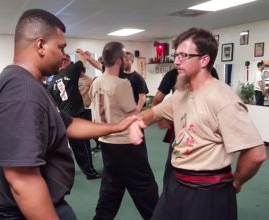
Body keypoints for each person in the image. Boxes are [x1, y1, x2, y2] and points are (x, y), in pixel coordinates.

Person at [0, 9, 137, 220]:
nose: (64, 55)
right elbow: (22, 182)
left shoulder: (29, 85)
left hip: (42, 199)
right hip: (16, 211)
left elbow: (68, 124)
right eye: (61, 47)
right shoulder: (22, 93)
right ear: (41, 45)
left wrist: (116, 127)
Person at [129, 28, 266, 220]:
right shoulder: (181, 93)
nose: (176, 61)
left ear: (204, 60)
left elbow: (256, 154)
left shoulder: (223, 99)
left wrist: (237, 181)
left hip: (209, 191)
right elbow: (154, 112)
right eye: (176, 55)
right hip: (176, 184)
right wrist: (138, 122)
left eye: (184, 55)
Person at [90, 41, 159, 220]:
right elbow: (133, 114)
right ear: (120, 60)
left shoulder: (96, 82)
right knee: (146, 189)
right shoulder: (121, 84)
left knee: (111, 191)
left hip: (106, 144)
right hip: (126, 145)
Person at [153, 67, 219, 186]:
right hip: (185, 126)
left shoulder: (210, 71)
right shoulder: (173, 74)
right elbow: (158, 98)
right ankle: (172, 193)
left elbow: (158, 98)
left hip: (198, 126)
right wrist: (161, 118)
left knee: (186, 160)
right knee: (177, 161)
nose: (179, 61)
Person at [48, 53, 101, 180]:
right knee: (83, 146)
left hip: (64, 119)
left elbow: (52, 103)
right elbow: (82, 60)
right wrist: (83, 54)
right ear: (64, 61)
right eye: (69, 61)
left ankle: (86, 169)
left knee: (77, 148)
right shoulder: (70, 72)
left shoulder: (52, 82)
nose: (71, 63)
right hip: (76, 118)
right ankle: (90, 172)